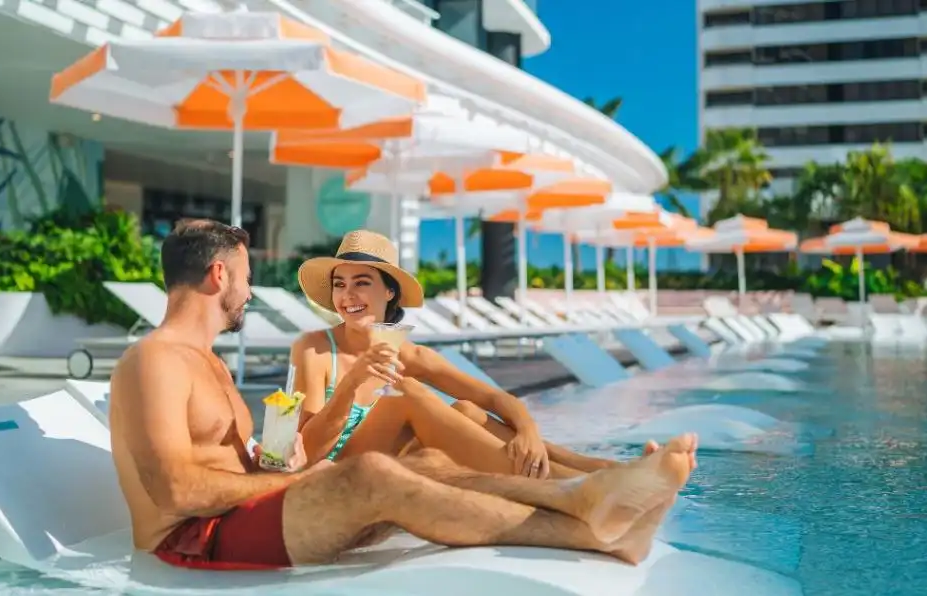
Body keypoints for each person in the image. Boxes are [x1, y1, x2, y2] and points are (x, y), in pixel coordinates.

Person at [108, 219, 699, 570]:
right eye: (245, 278)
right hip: (192, 544)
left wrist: (276, 456)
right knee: (372, 473)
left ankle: (585, 498)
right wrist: (296, 477)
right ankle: (586, 522)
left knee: (428, 461)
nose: (249, 292)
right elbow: (179, 490)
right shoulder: (154, 358)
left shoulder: (208, 365)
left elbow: (243, 467)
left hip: (241, 516)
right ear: (218, 276)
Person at [293, 230, 642, 479]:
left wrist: (528, 431)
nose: (348, 295)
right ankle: (568, 485)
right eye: (340, 284)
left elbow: (492, 395)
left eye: (362, 282)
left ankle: (596, 470)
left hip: (392, 464)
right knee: (409, 394)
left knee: (467, 410)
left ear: (390, 292)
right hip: (336, 474)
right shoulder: (315, 348)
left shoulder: (410, 355)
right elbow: (306, 450)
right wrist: (352, 383)